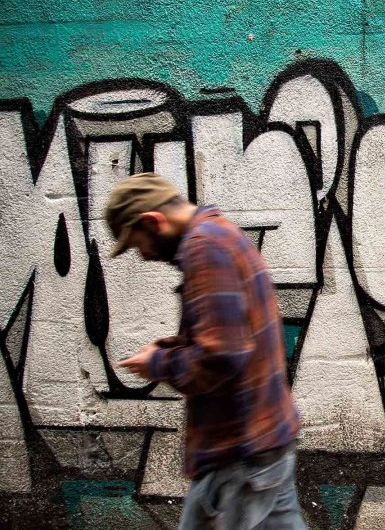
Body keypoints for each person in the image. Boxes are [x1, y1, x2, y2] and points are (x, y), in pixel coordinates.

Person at [107, 172, 307, 530]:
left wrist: (158, 363)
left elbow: (222, 355)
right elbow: (230, 334)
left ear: (154, 221)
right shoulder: (221, 233)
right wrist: (168, 348)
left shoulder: (204, 248)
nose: (145, 256)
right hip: (262, 439)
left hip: (239, 452)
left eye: (140, 245)